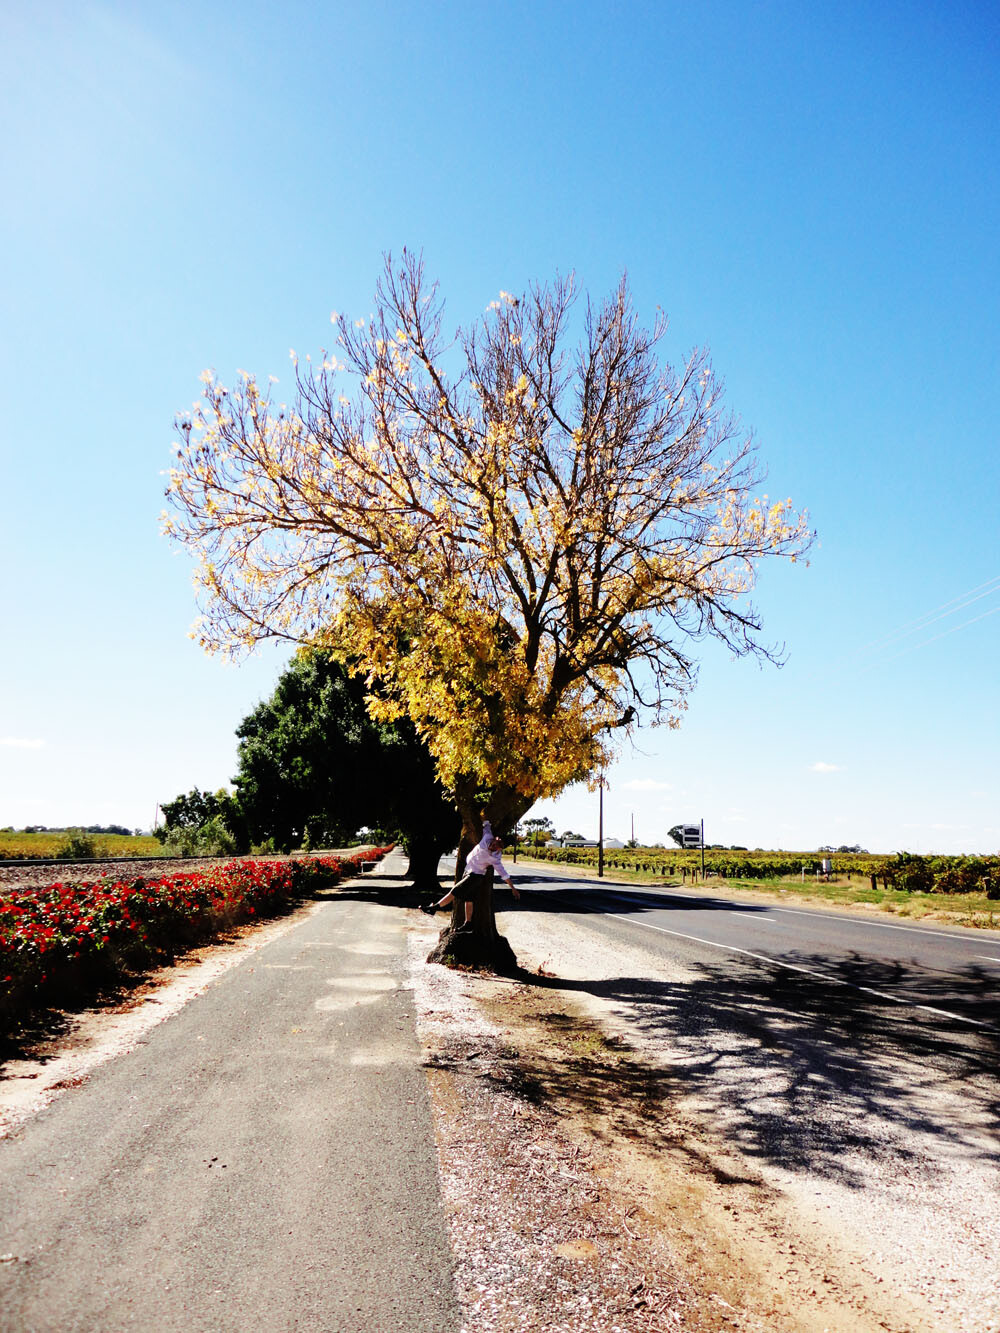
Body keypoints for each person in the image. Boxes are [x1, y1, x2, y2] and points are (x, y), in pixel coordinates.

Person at [420, 817, 520, 930]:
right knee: (468, 899)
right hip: (468, 871)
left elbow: (504, 875)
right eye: (495, 843)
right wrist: (484, 818)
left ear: (500, 849)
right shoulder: (487, 837)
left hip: (475, 875)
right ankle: (468, 923)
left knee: (455, 891)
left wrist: (513, 888)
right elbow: (487, 825)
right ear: (494, 840)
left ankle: (433, 908)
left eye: (498, 847)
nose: (494, 846)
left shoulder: (495, 858)